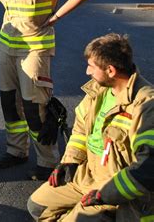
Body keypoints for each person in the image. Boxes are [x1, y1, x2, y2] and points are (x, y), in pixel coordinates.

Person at [0, 0, 95, 180]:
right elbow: (9, 4)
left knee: (34, 106)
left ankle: (47, 160)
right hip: (6, 47)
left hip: (35, 50)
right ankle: (16, 150)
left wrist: (56, 16)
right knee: (9, 102)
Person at [27, 33, 154, 221]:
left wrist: (105, 195)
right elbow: (80, 130)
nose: (87, 72)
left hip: (114, 187)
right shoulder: (98, 90)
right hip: (87, 176)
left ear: (110, 70)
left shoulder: (145, 105)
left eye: (91, 67)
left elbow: (147, 168)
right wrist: (69, 161)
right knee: (37, 207)